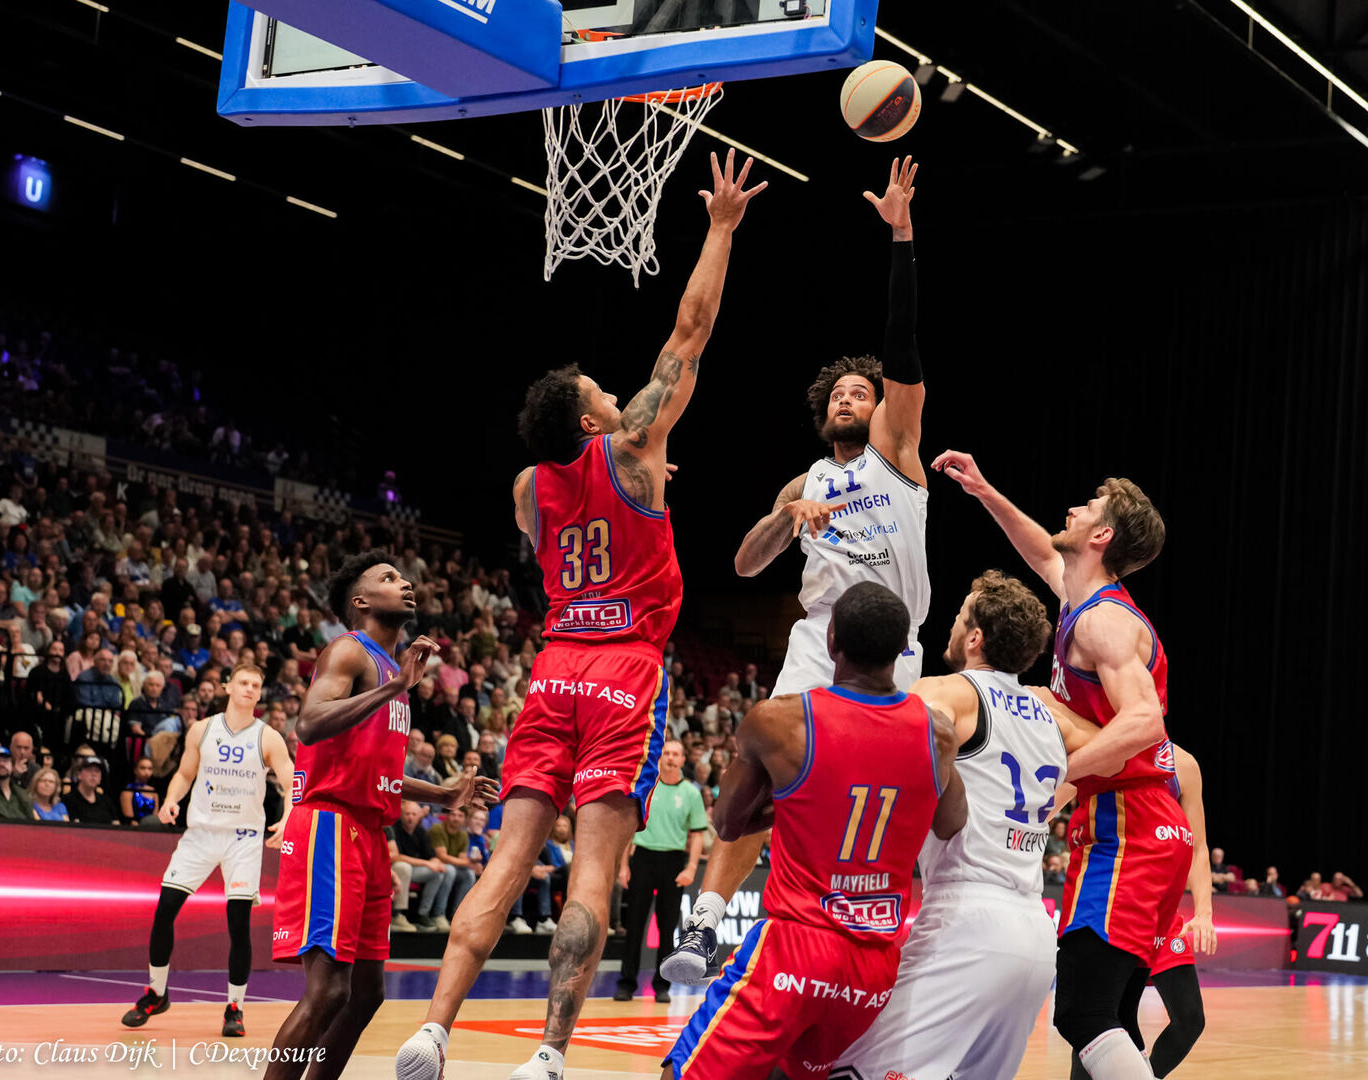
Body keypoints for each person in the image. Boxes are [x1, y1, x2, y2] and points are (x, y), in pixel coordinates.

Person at [398, 150, 765, 1080]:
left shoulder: (529, 486)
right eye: (604, 393)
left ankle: (433, 1029)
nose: (615, 389)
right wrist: (719, 226)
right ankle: (550, 1054)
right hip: (624, 671)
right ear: (599, 423)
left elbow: (572, 510)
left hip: (552, 666)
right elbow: (690, 329)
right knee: (592, 872)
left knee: (508, 858)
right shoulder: (635, 449)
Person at [666, 156, 932, 985]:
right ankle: (705, 925)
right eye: (843, 392)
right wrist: (786, 517)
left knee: (897, 794)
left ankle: (905, 927)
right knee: (761, 757)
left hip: (895, 646)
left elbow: (901, 342)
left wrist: (899, 232)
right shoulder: (805, 481)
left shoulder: (896, 451)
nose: (856, 396)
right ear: (825, 412)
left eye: (865, 389)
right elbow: (743, 565)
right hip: (817, 640)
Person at [931, 450, 1183, 1080]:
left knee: (1081, 1013)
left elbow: (1146, 722)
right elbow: (1040, 549)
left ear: (1101, 536)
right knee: (1106, 1016)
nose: (1070, 508)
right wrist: (985, 490)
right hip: (1127, 823)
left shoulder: (1104, 622)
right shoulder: (1081, 596)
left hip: (1133, 824)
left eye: (1087, 506)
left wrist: (1060, 779)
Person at [663, 582, 965, 1079]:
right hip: (873, 965)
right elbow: (951, 822)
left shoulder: (781, 722)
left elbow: (728, 823)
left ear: (830, 642)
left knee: (686, 1072)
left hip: (796, 945)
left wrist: (793, 803)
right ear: (902, 650)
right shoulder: (937, 734)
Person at [834, 571, 1098, 1080]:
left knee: (854, 1071)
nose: (952, 628)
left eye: (958, 619)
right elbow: (1111, 753)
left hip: (968, 918)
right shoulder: (1052, 715)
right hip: (1036, 936)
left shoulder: (949, 691)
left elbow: (886, 729)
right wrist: (1051, 800)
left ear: (975, 638)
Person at [266, 554, 493, 1080]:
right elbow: (310, 724)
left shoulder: (393, 672)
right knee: (328, 990)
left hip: (369, 833)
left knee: (366, 995)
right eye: (389, 578)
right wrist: (395, 689)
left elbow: (380, 772)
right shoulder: (350, 651)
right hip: (329, 825)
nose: (405, 582)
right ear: (360, 601)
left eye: (404, 576)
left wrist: (445, 794)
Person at [121, 665, 294, 1038]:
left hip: (244, 837)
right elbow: (185, 773)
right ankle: (156, 992)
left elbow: (290, 781)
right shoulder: (202, 729)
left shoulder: (269, 737)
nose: (249, 689)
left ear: (260, 693)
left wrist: (289, 818)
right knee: (165, 909)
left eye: (256, 685)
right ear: (228, 687)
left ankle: (235, 1007)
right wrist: (170, 801)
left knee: (238, 922)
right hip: (200, 833)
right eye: (243, 682)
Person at [1069, 743, 1215, 1080]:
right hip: (1119, 905)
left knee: (1190, 1019)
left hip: (1164, 918)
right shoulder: (1103, 746)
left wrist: (1204, 911)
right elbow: (1055, 792)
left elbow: (1199, 845)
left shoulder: (1184, 764)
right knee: (1107, 1017)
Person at [615, 738, 706, 1003]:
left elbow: (698, 834)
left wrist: (691, 867)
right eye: (666, 753)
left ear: (682, 759)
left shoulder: (690, 793)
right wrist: (623, 865)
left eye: (675, 754)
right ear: (660, 756)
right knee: (634, 925)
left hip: (674, 861)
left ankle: (662, 986)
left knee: (667, 928)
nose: (670, 757)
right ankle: (626, 983)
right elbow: (630, 827)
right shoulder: (647, 786)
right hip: (642, 858)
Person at [392, 800, 459, 932]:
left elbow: (429, 854)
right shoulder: (395, 828)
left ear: (419, 816)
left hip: (416, 868)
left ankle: (431, 914)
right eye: (407, 814)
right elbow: (397, 857)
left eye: (413, 814)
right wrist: (428, 863)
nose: (410, 817)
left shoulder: (420, 830)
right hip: (399, 868)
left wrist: (436, 862)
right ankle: (401, 915)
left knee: (447, 870)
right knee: (408, 867)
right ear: (401, 815)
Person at [63, 756, 120, 824]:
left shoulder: (106, 801)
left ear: (100, 778)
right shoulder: (68, 800)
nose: (94, 774)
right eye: (89, 770)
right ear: (79, 775)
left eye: (97, 771)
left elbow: (116, 825)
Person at [119, 755, 161, 825]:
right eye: (143, 768)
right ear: (135, 770)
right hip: (134, 828)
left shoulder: (153, 791)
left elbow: (155, 817)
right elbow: (129, 819)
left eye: (150, 769)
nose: (147, 772)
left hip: (152, 827)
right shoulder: (128, 790)